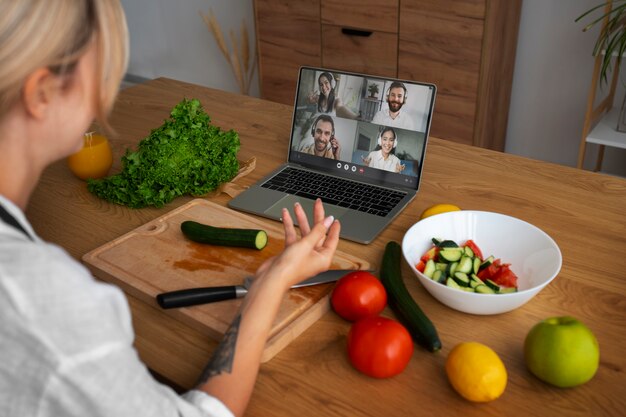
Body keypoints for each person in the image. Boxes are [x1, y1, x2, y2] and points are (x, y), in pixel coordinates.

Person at [0, 2, 340, 417]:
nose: (106, 100)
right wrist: (276, 280)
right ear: (42, 94)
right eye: (103, 74)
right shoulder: (44, 303)